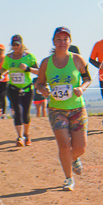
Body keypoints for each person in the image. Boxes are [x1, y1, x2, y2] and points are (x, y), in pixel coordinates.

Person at [36, 27, 92, 190]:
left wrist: (82, 88)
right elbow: (39, 82)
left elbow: (87, 78)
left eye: (65, 39)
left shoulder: (77, 59)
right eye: (59, 39)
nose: (62, 42)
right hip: (56, 109)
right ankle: (69, 179)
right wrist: (43, 90)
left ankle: (73, 159)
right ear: (54, 42)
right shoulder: (46, 62)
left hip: (77, 108)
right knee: (64, 146)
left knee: (80, 148)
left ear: (70, 41)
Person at [3, 34, 39, 147]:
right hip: (13, 88)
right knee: (17, 112)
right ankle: (19, 137)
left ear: (21, 45)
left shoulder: (29, 57)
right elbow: (4, 68)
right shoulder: (8, 57)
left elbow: (38, 71)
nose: (15, 47)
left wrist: (28, 68)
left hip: (27, 88)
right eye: (13, 45)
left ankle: (26, 134)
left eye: (17, 44)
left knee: (25, 113)